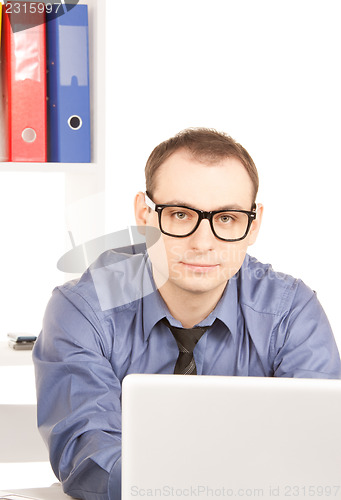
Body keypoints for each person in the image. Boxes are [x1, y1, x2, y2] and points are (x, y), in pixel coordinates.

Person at [33, 128, 341, 500]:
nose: (202, 243)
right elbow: (89, 457)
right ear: (144, 215)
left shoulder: (292, 312)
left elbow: (314, 452)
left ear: (253, 225)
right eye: (180, 214)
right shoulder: (84, 308)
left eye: (227, 218)